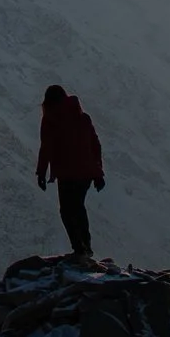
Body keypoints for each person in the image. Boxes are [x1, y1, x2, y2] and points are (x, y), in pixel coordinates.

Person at [34, 84, 106, 258]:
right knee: (78, 207)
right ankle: (86, 246)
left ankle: (79, 248)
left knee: (67, 210)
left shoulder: (50, 119)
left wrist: (41, 173)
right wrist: (98, 173)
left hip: (67, 174)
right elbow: (95, 146)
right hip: (86, 173)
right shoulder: (83, 118)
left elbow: (46, 148)